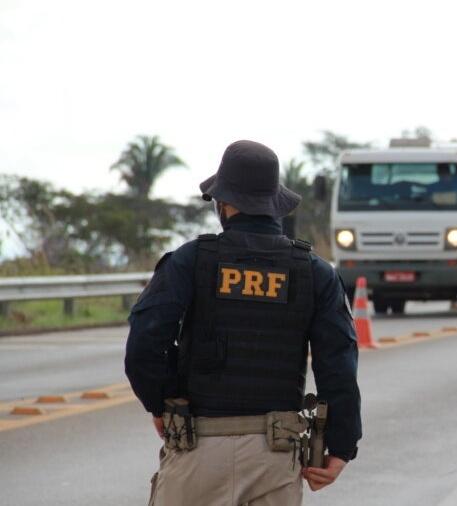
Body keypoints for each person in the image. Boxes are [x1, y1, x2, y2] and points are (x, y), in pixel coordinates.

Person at [125, 140, 361, 505]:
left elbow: (145, 343)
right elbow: (338, 365)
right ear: (274, 205)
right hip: (275, 457)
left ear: (223, 203)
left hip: (196, 447)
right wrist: (342, 446)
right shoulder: (314, 272)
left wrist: (162, 402)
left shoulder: (190, 260)